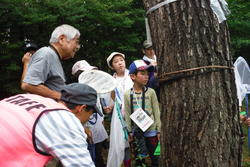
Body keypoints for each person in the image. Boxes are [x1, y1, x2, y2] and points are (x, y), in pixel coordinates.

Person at [0, 83, 103, 167]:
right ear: (81, 108)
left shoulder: (33, 98)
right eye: (91, 114)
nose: (89, 118)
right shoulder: (65, 120)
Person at [21, 24, 80, 100]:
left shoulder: (53, 56)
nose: (78, 47)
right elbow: (28, 85)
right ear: (62, 39)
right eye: (76, 42)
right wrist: (62, 97)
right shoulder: (46, 53)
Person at [72, 60, 109, 167]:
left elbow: (100, 111)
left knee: (98, 157)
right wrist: (85, 129)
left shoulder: (94, 89)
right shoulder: (76, 93)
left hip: (97, 131)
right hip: (84, 134)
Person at [124, 60, 161, 167]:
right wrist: (129, 131)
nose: (146, 76)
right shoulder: (128, 94)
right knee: (139, 157)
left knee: (156, 157)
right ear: (133, 76)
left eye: (147, 74)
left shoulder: (151, 92)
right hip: (137, 131)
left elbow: (156, 111)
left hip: (152, 131)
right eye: (142, 73)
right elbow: (127, 113)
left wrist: (158, 129)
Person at [106, 52, 133, 167]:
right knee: (122, 142)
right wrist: (110, 107)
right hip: (119, 115)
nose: (120, 63)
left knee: (138, 140)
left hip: (134, 111)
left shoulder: (132, 75)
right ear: (112, 66)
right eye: (116, 62)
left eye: (121, 60)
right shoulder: (111, 80)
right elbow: (113, 98)